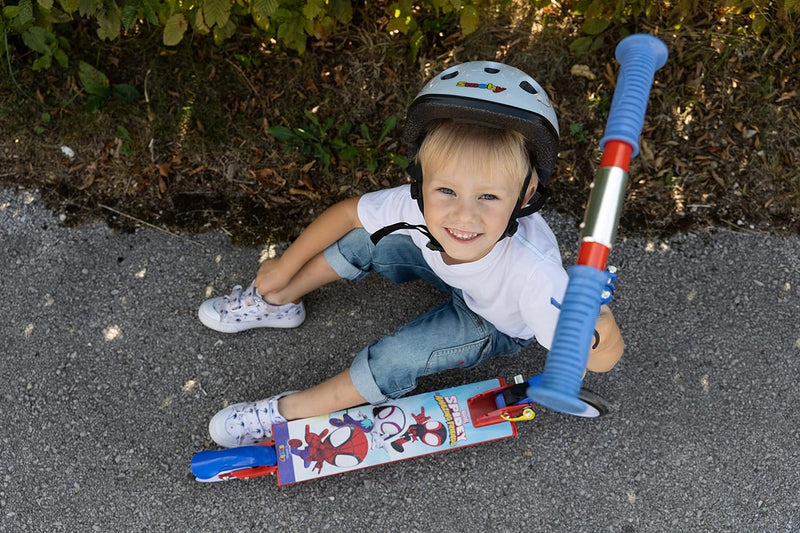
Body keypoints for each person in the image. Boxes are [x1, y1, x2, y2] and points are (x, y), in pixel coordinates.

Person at [198, 61, 624, 448]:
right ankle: (277, 300)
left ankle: (285, 413)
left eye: (489, 196)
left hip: (494, 320)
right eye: (446, 190)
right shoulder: (418, 206)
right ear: (421, 183)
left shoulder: (537, 275)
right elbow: (349, 214)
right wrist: (283, 267)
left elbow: (604, 360)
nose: (463, 214)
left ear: (526, 196)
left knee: (398, 357)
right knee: (369, 237)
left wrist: (595, 323)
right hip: (451, 272)